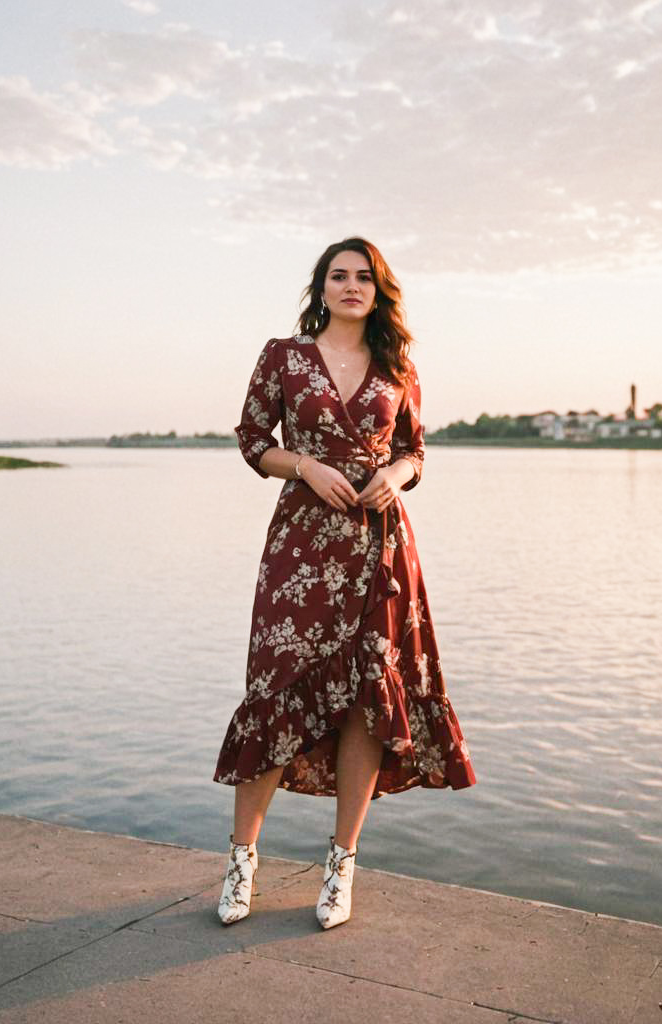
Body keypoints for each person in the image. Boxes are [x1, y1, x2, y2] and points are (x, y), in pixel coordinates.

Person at [212, 237, 477, 930]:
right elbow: (249, 440)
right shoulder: (284, 357)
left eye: (365, 277)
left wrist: (396, 474)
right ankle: (242, 864)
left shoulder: (399, 365)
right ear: (321, 287)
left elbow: (416, 450)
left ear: (379, 290)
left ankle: (341, 868)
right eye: (339, 275)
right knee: (272, 693)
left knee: (367, 700)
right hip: (301, 549)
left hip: (378, 549)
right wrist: (303, 465)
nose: (352, 286)